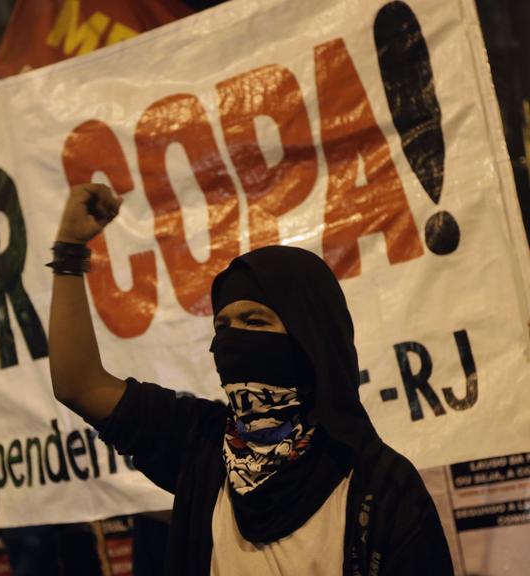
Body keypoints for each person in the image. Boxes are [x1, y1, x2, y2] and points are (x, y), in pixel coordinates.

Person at [48, 183, 454, 575]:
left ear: (310, 338)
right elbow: (79, 385)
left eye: (255, 321)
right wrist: (69, 250)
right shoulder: (199, 444)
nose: (231, 341)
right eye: (222, 326)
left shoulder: (381, 487)